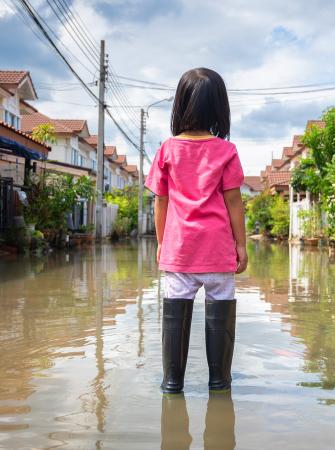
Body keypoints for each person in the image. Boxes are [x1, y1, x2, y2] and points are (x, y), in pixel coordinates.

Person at [145, 67, 247, 394]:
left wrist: (162, 243)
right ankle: (220, 383)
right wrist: (241, 246)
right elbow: (234, 203)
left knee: (175, 316)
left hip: (180, 251)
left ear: (179, 104)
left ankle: (172, 382)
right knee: (221, 314)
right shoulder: (226, 151)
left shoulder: (167, 150)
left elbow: (160, 203)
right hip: (218, 251)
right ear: (220, 107)